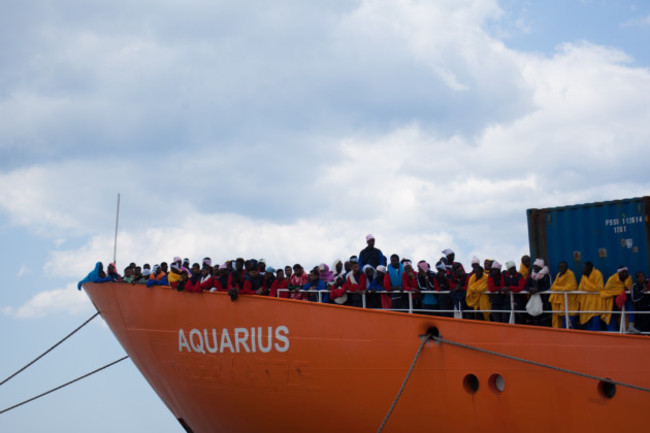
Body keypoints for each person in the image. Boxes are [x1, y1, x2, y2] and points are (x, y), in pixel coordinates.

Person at [601, 267, 634, 332]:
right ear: (618, 273)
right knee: (611, 314)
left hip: (622, 299)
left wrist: (621, 292)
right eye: (623, 272)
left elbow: (629, 288)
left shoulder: (628, 278)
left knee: (629, 303)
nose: (625, 274)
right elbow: (607, 291)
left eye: (626, 272)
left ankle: (631, 326)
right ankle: (611, 331)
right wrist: (619, 292)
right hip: (611, 299)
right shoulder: (612, 279)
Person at [549, 261, 578, 328]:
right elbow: (553, 286)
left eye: (563, 267)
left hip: (569, 301)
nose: (562, 268)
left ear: (567, 267)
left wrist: (558, 288)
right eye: (560, 267)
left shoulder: (570, 274)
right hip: (561, 302)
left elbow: (570, 287)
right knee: (560, 320)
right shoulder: (558, 275)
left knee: (569, 321)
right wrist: (560, 288)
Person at [578, 262, 605, 331]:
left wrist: (588, 288)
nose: (583, 270)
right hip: (586, 304)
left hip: (596, 304)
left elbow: (599, 288)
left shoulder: (597, 274)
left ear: (589, 268)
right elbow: (580, 289)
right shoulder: (584, 277)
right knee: (588, 324)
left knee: (595, 322)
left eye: (584, 268)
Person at [525, 259, 551, 327]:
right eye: (534, 266)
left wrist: (538, 289)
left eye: (536, 266)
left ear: (540, 267)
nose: (534, 268)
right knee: (535, 318)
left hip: (544, 300)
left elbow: (548, 286)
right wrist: (530, 289)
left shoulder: (546, 275)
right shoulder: (532, 275)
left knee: (544, 319)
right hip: (534, 299)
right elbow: (526, 286)